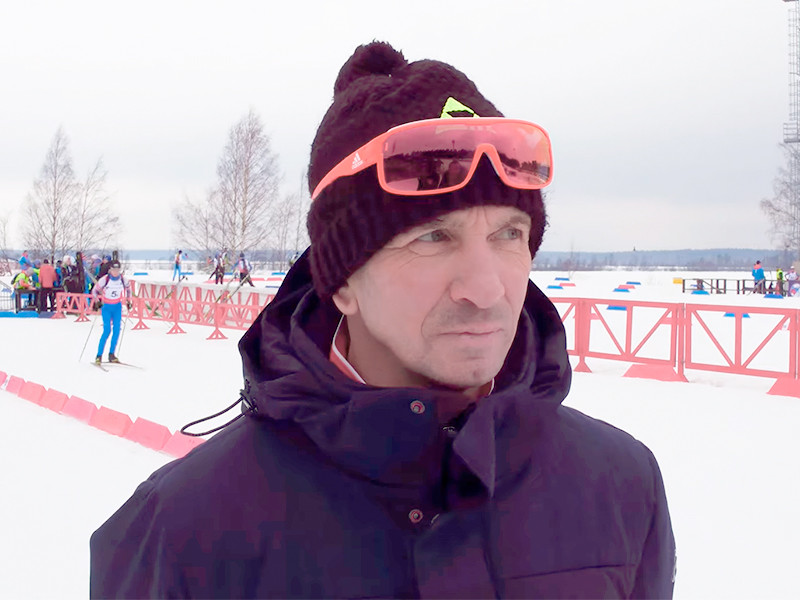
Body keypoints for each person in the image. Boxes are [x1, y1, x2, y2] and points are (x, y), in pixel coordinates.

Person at [90, 42, 675, 598]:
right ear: (343, 281)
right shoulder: (186, 530)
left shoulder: (622, 486)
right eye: (433, 237)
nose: (487, 288)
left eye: (509, 234)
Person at [91, 259, 131, 364]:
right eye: (114, 270)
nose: (116, 272)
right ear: (110, 269)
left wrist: (129, 301)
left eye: (118, 270)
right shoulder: (105, 279)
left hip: (117, 307)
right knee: (107, 330)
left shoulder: (123, 279)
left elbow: (129, 289)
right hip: (107, 307)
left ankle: (111, 354)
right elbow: (94, 291)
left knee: (117, 330)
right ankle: (99, 355)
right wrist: (97, 302)